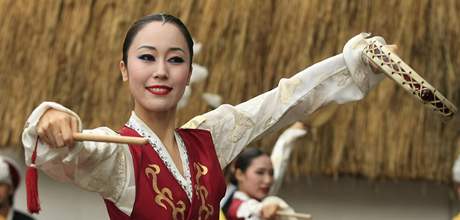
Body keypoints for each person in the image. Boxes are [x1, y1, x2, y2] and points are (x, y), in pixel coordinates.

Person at [22, 13, 393, 220]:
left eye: (176, 59)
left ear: (188, 72)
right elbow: (62, 152)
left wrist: (352, 64)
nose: (161, 71)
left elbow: (286, 100)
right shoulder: (118, 155)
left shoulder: (210, 137)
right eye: (147, 57)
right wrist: (49, 117)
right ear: (124, 69)